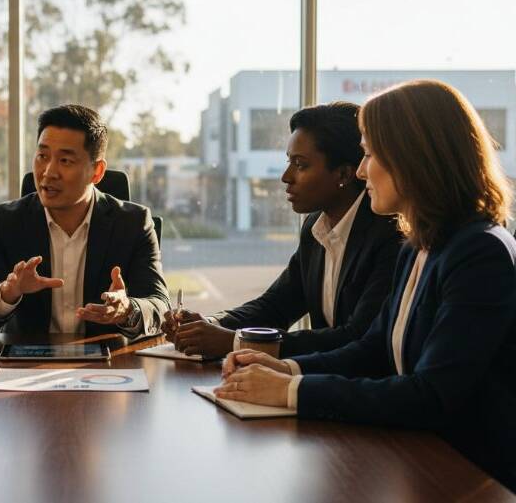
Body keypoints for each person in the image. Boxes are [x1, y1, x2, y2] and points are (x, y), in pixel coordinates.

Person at [216, 80, 516, 495]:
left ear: (413, 158)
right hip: (414, 455)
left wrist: (292, 390)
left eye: (370, 154)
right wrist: (286, 368)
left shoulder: (480, 253)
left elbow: (430, 395)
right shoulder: (419, 245)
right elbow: (374, 349)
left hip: (469, 475)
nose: (361, 171)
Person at [165, 102, 402, 358]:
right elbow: (275, 307)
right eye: (289, 162)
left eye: (300, 165)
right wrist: (211, 325)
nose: (286, 177)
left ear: (344, 173)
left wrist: (236, 343)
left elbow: (357, 337)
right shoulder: (316, 226)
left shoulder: (390, 234)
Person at [0, 104, 169, 337]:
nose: (49, 172)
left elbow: (161, 307)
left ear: (97, 172)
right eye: (42, 156)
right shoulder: (4, 222)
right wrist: (8, 291)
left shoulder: (133, 224)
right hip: (27, 364)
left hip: (109, 366)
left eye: (65, 161)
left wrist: (127, 310)